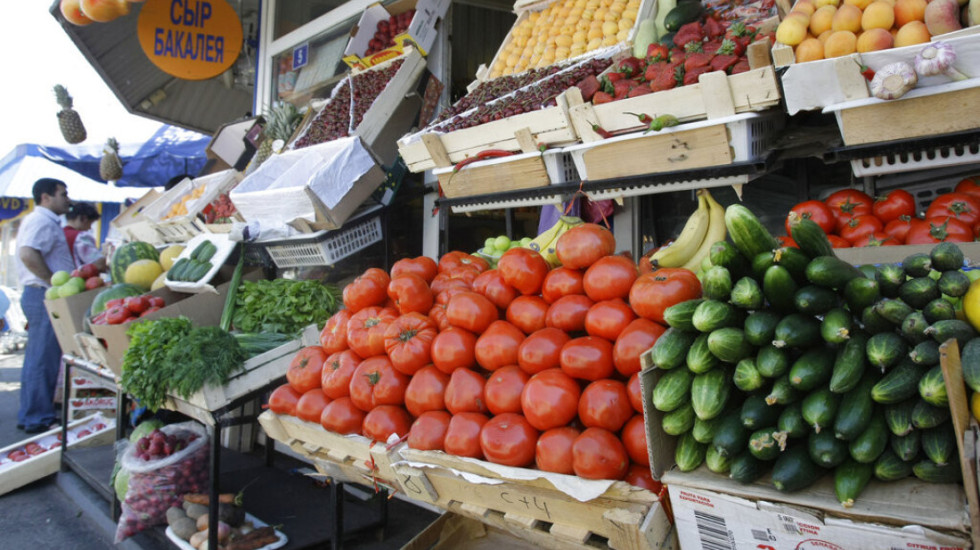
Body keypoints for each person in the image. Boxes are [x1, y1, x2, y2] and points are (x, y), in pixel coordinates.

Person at [16, 178, 73, 434]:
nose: (67, 199)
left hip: (40, 294)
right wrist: (53, 282)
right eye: (63, 194)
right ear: (46, 197)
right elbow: (28, 254)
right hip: (43, 294)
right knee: (42, 359)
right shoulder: (41, 221)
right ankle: (37, 417)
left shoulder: (42, 220)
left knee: (39, 358)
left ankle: (33, 414)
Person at [64, 201, 107, 272]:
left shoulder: (60, 233)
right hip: (78, 280)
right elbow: (99, 264)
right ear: (83, 219)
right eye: (90, 223)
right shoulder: (81, 237)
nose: (89, 228)